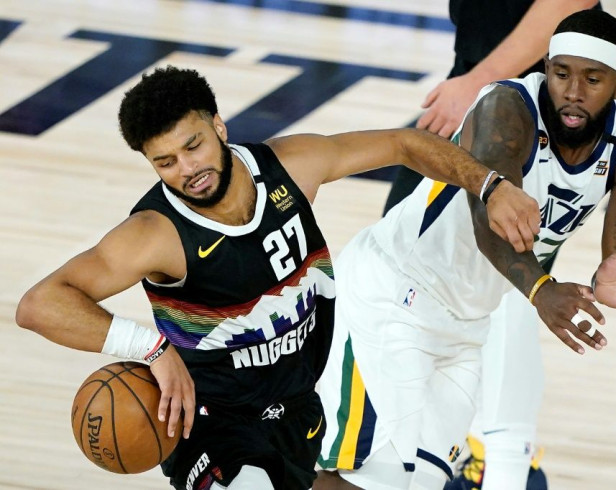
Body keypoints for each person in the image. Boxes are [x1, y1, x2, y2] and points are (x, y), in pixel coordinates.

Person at [14, 66, 541, 490]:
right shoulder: (154, 234)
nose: (186, 169)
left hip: (296, 403)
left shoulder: (292, 166)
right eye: (165, 162)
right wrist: (151, 347)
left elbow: (403, 144)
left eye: (193, 145)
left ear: (219, 125)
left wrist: (490, 185)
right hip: (212, 422)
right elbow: (39, 305)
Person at [314, 9, 616, 490]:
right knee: (357, 476)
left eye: (593, 79)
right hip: (393, 299)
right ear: (545, 65)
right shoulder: (507, 109)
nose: (573, 91)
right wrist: (542, 290)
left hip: (465, 326)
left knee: (418, 483)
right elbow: (489, 220)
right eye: (561, 73)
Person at [384, 0, 601, 214]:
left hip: (533, 78)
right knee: (406, 225)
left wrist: (480, 81)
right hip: (486, 62)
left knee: (408, 225)